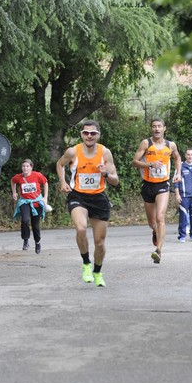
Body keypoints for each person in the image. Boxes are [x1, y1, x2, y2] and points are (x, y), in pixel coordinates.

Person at [56, 120, 119, 287]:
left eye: (93, 133)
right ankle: (86, 263)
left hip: (98, 198)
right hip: (78, 196)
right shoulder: (73, 152)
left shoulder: (105, 153)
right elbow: (60, 164)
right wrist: (63, 182)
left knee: (100, 242)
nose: (89, 136)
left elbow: (115, 181)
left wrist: (106, 174)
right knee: (81, 228)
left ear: (98, 135)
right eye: (86, 133)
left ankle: (97, 272)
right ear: (81, 134)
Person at [132, 117, 181, 264]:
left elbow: (177, 158)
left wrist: (178, 173)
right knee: (152, 222)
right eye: (154, 126)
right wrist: (149, 165)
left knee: (160, 217)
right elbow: (134, 162)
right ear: (151, 128)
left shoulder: (170, 145)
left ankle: (158, 251)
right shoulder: (146, 143)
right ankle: (155, 231)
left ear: (164, 128)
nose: (157, 129)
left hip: (162, 185)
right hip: (148, 185)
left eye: (159, 126)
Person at [11, 159, 49, 253]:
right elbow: (13, 181)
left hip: (36, 202)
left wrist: (45, 197)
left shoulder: (37, 175)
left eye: (27, 166)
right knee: (25, 220)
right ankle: (26, 240)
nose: (25, 168)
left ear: (31, 167)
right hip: (25, 202)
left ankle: (37, 242)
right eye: (23, 166)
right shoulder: (19, 177)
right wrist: (14, 193)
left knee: (35, 225)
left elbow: (45, 183)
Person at [174, 148, 192, 242]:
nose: (190, 156)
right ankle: (182, 236)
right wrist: (177, 195)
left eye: (191, 154)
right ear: (185, 155)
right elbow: (175, 182)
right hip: (184, 196)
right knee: (183, 216)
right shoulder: (180, 166)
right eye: (188, 154)